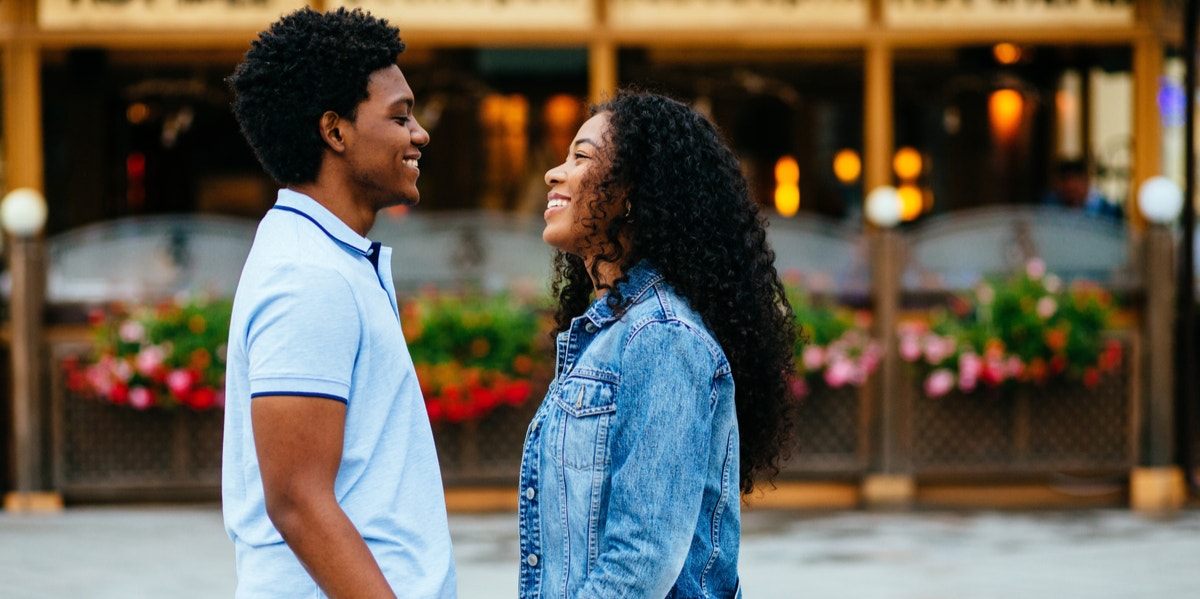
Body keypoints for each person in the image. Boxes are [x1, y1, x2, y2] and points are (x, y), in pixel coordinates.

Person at [517, 90, 799, 598]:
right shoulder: (611, 334)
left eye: (580, 158)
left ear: (632, 193)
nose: (554, 174)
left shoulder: (660, 337)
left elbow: (642, 561)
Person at [222, 8, 456, 598]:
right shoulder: (308, 275)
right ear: (335, 131)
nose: (419, 133)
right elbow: (296, 499)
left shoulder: (329, 257)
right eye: (400, 117)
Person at [1042, 158, 1122, 220]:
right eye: (1065, 181)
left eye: (1075, 186)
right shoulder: (1049, 207)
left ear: (1086, 181)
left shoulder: (1107, 211)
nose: (1070, 187)